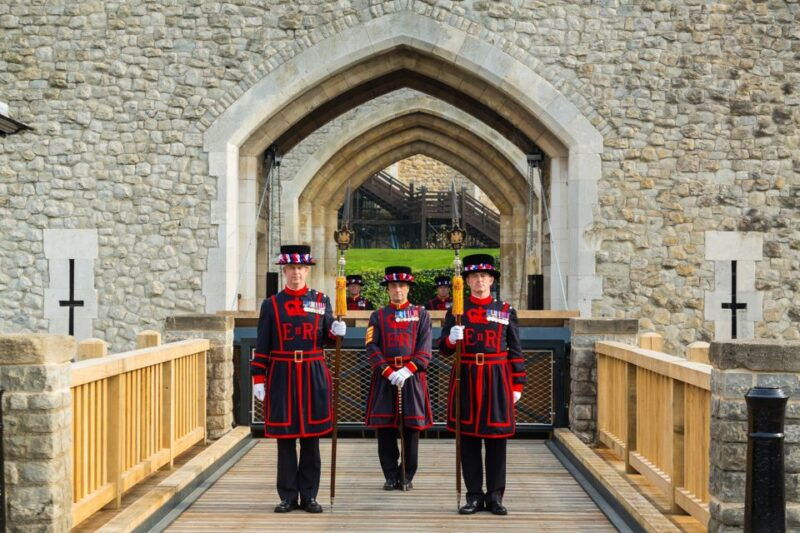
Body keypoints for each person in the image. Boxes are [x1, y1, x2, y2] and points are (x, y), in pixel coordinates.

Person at [250, 244, 347, 514]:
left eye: (300, 268)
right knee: (285, 438)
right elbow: (262, 344)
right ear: (285, 271)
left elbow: (327, 337)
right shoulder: (271, 304)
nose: (296, 273)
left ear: (307, 270)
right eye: (291, 268)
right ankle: (288, 496)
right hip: (282, 373)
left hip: (312, 373)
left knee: (311, 438)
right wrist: (259, 378)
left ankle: (310, 495)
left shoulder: (321, 300)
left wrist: (337, 331)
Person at [439, 254, 526, 516]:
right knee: (468, 439)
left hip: (497, 377)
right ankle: (474, 495)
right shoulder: (457, 310)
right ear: (466, 281)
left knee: (497, 439)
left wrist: (517, 384)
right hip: (466, 375)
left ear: (491, 280)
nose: (480, 281)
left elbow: (516, 349)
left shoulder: (505, 309)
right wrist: (452, 340)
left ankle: (496, 495)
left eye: (484, 276)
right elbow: (442, 348)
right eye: (474, 276)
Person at [364, 266, 433, 491]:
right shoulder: (378, 315)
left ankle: (407, 474)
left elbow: (425, 348)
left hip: (411, 378)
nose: (398, 290)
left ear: (408, 288)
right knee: (384, 429)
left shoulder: (421, 314)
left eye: (402, 286)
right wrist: (387, 371)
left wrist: (408, 369)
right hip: (386, 378)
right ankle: (390, 474)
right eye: (393, 286)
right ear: (388, 290)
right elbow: (371, 346)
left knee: (411, 429)